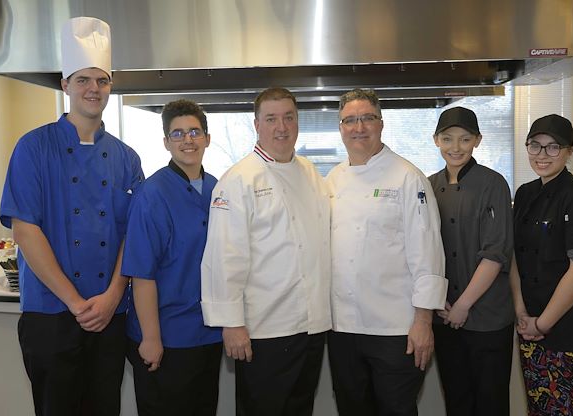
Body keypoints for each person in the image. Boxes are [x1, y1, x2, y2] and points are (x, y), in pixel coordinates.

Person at [0, 17, 144, 416]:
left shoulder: (126, 158)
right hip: (51, 313)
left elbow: (134, 234)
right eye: (83, 80)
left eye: (101, 80)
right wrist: (77, 303)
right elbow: (26, 231)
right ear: (65, 85)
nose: (93, 89)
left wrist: (114, 296)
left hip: (110, 313)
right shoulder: (33, 148)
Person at [200, 87, 331, 415]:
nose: (281, 127)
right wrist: (231, 324)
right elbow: (223, 257)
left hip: (311, 326)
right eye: (271, 119)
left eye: (289, 117)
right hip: (264, 330)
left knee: (300, 408)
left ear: (298, 121)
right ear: (257, 125)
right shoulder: (239, 180)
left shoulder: (311, 173)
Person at [326, 88, 447, 415]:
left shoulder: (408, 177)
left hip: (396, 329)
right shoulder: (333, 180)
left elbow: (428, 253)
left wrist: (423, 321)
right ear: (340, 128)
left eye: (367, 118)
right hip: (343, 329)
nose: (358, 127)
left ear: (381, 124)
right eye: (349, 120)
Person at [122, 100, 222, 415]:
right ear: (166, 142)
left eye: (194, 132)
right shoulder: (152, 195)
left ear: (207, 137)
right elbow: (142, 274)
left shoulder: (218, 189)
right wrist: (151, 338)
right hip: (166, 336)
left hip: (208, 333)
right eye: (177, 134)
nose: (187, 140)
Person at [511, 114, 573, 415]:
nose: (543, 155)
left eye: (553, 147)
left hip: (572, 333)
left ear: (569, 151)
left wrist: (543, 323)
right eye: (535, 146)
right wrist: (521, 313)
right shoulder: (525, 193)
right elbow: (514, 255)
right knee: (540, 409)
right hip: (531, 328)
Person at [428, 107, 514, 416]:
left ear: (477, 140)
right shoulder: (428, 186)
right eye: (448, 139)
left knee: (490, 403)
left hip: (487, 316)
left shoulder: (494, 184)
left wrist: (463, 305)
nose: (456, 147)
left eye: (465, 139)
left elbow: (495, 252)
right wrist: (438, 301)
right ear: (436, 140)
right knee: (457, 400)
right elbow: (423, 251)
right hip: (444, 315)